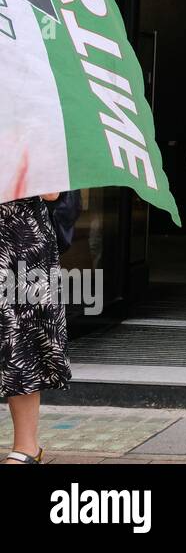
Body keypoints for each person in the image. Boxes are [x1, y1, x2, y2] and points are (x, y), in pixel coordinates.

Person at [0, 192, 71, 464]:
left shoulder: (34, 146)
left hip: (20, 237)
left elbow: (52, 191)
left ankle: (27, 447)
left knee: (19, 336)